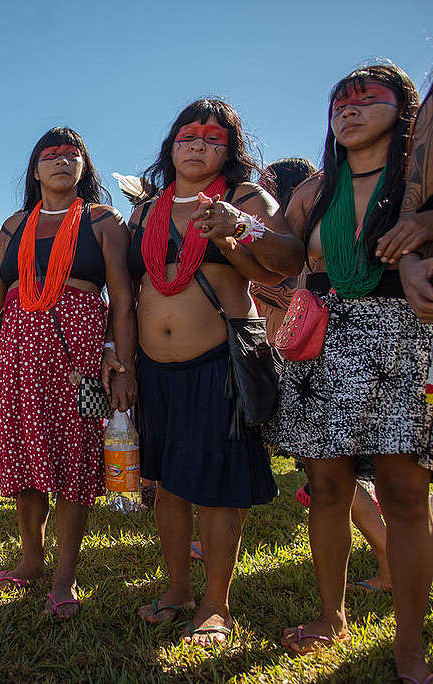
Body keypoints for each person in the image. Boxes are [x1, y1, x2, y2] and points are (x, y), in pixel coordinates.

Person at [125, 99, 304, 644]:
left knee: (219, 488)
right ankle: (178, 589)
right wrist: (123, 357)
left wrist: (240, 228)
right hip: (155, 369)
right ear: (171, 145)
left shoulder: (247, 198)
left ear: (229, 151)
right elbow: (132, 291)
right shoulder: (146, 210)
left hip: (219, 361)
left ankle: (216, 602)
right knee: (167, 485)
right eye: (187, 135)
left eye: (212, 138)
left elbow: (289, 258)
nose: (197, 144)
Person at [271, 65, 429, 680]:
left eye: (368, 99)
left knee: (406, 495)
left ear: (406, 107)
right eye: (340, 101)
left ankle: (409, 643)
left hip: (402, 337)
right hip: (325, 343)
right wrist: (240, 233)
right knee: (329, 488)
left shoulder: (420, 180)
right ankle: (330, 615)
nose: (350, 109)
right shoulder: (315, 189)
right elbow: (282, 250)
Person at [0, 127, 137, 618]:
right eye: (50, 155)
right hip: (20, 349)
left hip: (77, 350)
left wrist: (120, 363)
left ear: (84, 166)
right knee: (26, 452)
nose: (62, 161)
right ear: (35, 169)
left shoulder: (104, 221)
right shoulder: (16, 223)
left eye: (72, 154)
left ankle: (65, 575)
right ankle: (30, 560)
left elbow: (122, 299)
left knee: (73, 457)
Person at [251, 158, 319, 342]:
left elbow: (293, 294)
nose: (257, 195)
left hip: (294, 341)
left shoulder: (308, 241)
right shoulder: (266, 237)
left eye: (265, 187)